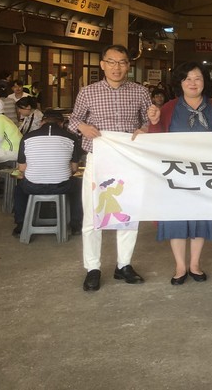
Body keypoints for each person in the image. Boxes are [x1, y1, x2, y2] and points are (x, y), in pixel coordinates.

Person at [68, 44, 153, 293]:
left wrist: (144, 129)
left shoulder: (140, 92)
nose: (117, 67)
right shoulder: (88, 92)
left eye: (122, 62)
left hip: (129, 160)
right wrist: (82, 127)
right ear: (103, 64)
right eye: (112, 62)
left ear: (128, 65)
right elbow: (74, 119)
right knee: (92, 214)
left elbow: (148, 120)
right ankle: (92, 268)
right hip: (98, 160)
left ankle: (123, 265)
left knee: (128, 213)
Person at [147, 62, 212, 286]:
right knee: (177, 219)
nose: (193, 83)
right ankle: (180, 266)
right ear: (180, 83)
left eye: (197, 78)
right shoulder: (169, 108)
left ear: (204, 82)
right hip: (176, 173)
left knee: (201, 217)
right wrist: (154, 122)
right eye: (187, 79)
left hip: (205, 174)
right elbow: (155, 138)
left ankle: (195, 264)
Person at [12, 109, 83, 237]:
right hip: (62, 186)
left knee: (19, 189)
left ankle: (21, 225)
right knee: (79, 185)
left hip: (32, 186)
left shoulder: (27, 137)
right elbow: (74, 168)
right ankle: (75, 225)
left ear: (42, 122)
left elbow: (22, 168)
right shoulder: (71, 138)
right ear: (62, 123)